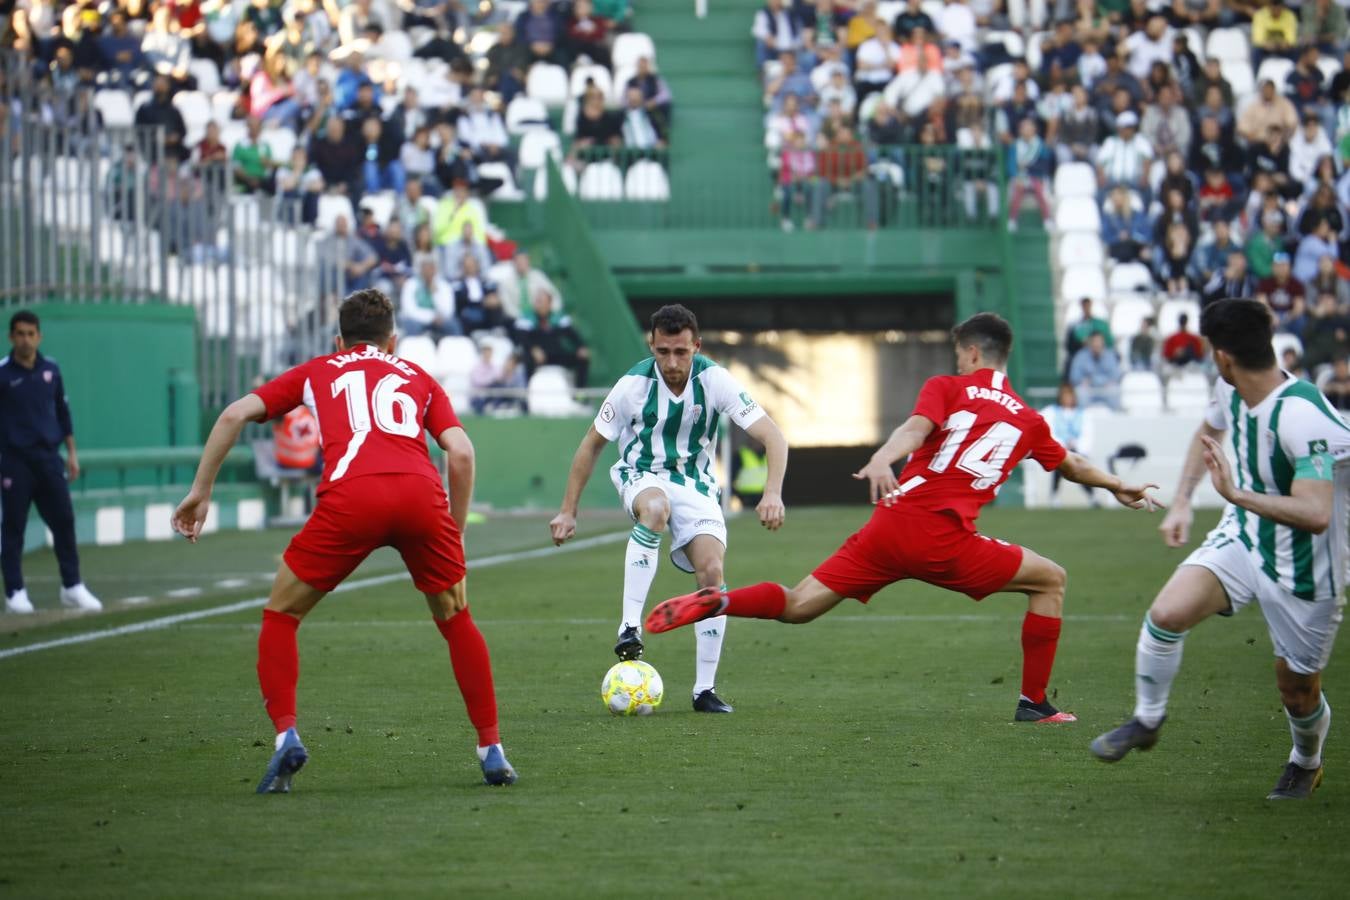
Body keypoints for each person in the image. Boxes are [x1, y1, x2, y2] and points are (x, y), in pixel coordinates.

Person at [644, 313, 1161, 723]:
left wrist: (883, 458)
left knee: (800, 604)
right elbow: (1071, 464)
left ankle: (723, 601)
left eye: (961, 354)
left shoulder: (948, 387)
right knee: (1051, 580)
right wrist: (1118, 485)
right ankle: (1034, 703)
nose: (958, 363)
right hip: (944, 538)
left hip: (889, 524)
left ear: (974, 352)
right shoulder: (1028, 419)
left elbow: (916, 429)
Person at [171, 289, 517, 791]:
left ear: (339, 339)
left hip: (351, 498)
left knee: (281, 615)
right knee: (456, 618)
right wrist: (454, 531)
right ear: (392, 341)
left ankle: (287, 736)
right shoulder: (417, 376)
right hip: (421, 497)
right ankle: (492, 749)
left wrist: (201, 492)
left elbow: (232, 415)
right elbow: (460, 453)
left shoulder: (319, 369)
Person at [1091, 298, 1350, 800]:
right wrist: (1183, 502)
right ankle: (1147, 720)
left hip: (1306, 563)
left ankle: (1306, 760)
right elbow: (1207, 432)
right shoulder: (1228, 388)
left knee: (1296, 690)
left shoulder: (1304, 417)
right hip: (1244, 534)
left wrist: (1235, 495)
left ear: (1224, 355)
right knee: (1166, 613)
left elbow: (1316, 513)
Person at [549, 304, 789, 713]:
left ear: (696, 345)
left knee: (712, 572)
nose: (673, 362)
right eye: (663, 352)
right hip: (641, 475)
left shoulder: (715, 380)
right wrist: (568, 510)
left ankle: (704, 690)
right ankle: (629, 626)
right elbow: (592, 443)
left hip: (695, 484)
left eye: (681, 352)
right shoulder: (632, 386)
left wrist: (772, 493)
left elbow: (773, 436)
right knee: (655, 508)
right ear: (652, 346)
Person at [0, 311, 102, 614]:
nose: (26, 339)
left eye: (31, 333)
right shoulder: (3, 374)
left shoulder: (51, 370)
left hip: (49, 459)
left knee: (64, 521)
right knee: (14, 527)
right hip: (15, 462)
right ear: (11, 337)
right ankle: (15, 591)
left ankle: (72, 586)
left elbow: (63, 413)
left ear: (39, 336)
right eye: (20, 333)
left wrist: (71, 453)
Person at [1042, 383, 1096, 507]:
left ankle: (1092, 496)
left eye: (1069, 395)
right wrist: (1061, 445)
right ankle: (1054, 496)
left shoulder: (1083, 414)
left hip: (1077, 450)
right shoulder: (1051, 412)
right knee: (1059, 469)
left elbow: (1087, 434)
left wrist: (1077, 445)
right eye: (1064, 395)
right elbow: (1048, 430)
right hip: (1060, 449)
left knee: (1082, 473)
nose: (1067, 398)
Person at [1069, 332, 1123, 410]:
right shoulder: (1080, 356)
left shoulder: (1110, 355)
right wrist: (1082, 381)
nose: (1097, 345)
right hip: (1088, 389)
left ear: (1103, 343)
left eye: (1099, 342)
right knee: (1080, 391)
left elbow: (1116, 375)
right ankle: (1083, 417)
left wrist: (1097, 380)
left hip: (1105, 388)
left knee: (1114, 390)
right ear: (1090, 343)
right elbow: (1074, 376)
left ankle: (1116, 415)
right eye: (1094, 342)